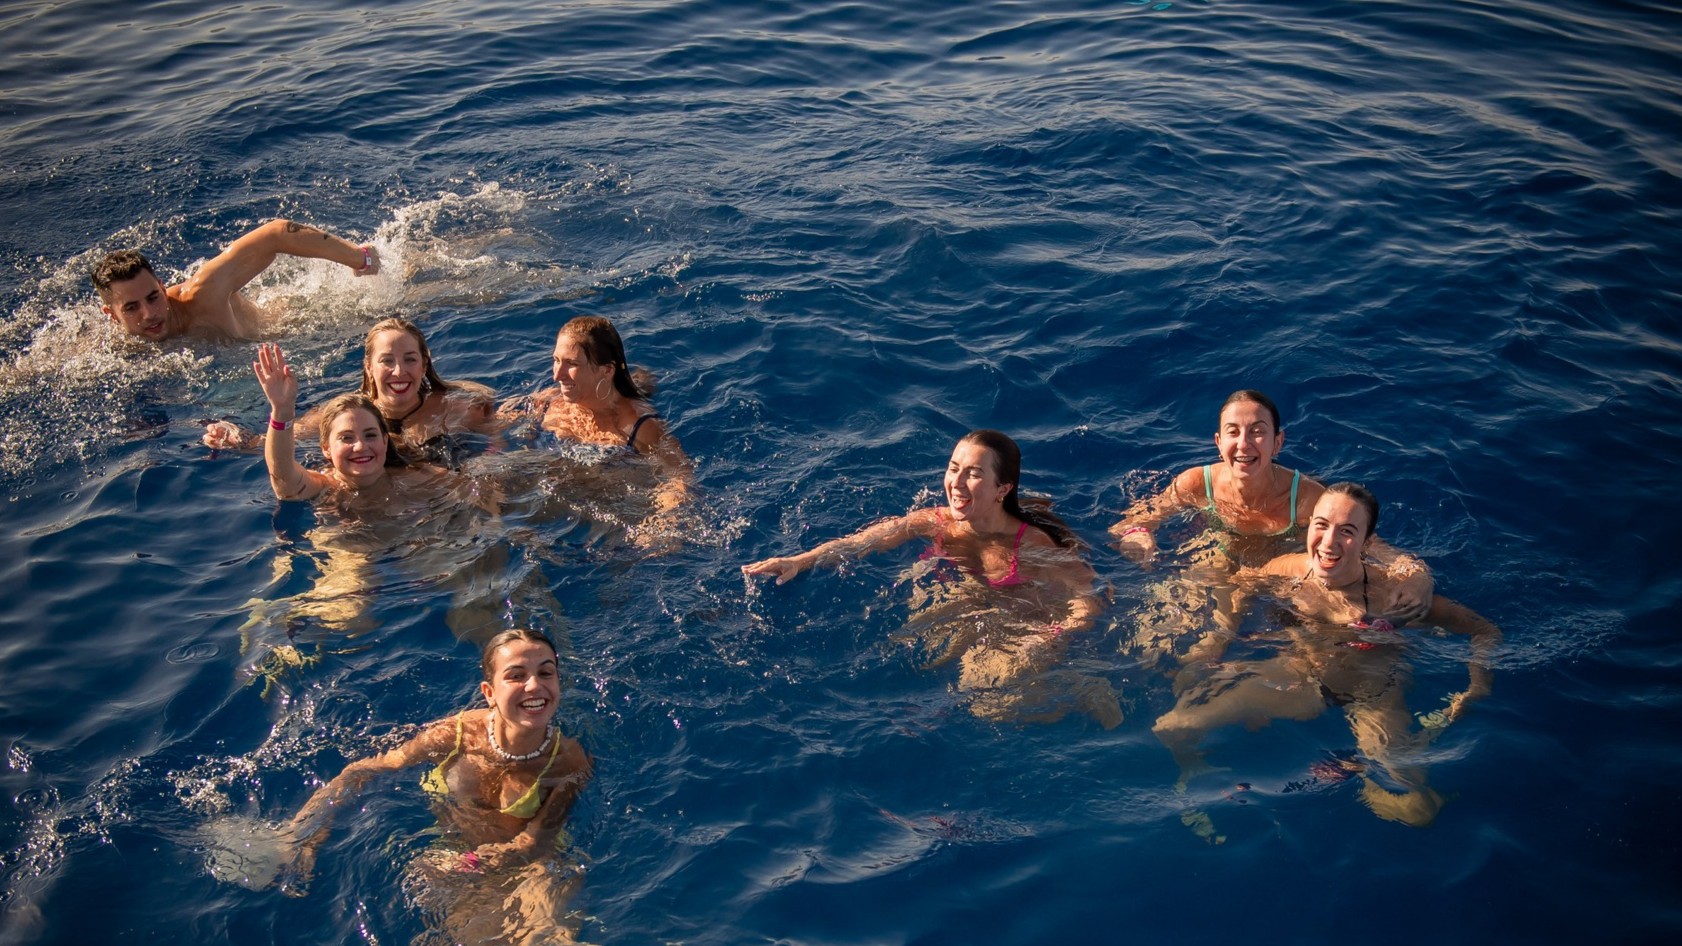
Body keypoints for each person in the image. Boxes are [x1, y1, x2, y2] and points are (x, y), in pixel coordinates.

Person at [1152, 483, 1501, 832]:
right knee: (1172, 727)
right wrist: (1221, 636)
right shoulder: (1290, 570)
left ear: (1367, 543)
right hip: (1299, 677)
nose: (1329, 541)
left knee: (1416, 808)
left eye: (1347, 531)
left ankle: (1362, 770)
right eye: (1321, 524)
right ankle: (1195, 772)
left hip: (1372, 694)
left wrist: (1477, 686)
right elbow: (1242, 582)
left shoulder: (1392, 597)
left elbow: (1485, 630)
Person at [744, 430, 1116, 726]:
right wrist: (799, 560)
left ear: (1003, 489)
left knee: (987, 704)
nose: (957, 482)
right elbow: (864, 540)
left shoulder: (1034, 545)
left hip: (1027, 620)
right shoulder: (938, 521)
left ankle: (1085, 688)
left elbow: (1090, 597)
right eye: (954, 468)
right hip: (974, 600)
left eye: (974, 473)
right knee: (917, 651)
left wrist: (1050, 638)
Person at [283, 629, 592, 944]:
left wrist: (468, 865)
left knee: (547, 938)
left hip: (535, 869)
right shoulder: (455, 735)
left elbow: (533, 843)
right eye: (516, 676)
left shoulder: (568, 761)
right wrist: (307, 832)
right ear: (489, 692)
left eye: (546, 673)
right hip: (457, 860)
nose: (535, 685)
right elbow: (363, 770)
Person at [1110, 389, 1433, 621]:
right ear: (1219, 442)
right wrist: (1139, 536)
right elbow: (1131, 523)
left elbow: (1376, 549)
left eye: (1257, 433)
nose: (1244, 444)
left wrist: (1418, 580)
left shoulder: (1307, 497)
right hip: (1218, 552)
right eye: (1233, 432)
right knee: (1189, 632)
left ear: (1278, 442)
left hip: (1282, 571)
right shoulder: (1196, 483)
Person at [204, 317, 498, 467]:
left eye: (410, 359)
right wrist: (239, 438)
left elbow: (497, 439)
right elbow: (278, 439)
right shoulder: (344, 417)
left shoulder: (456, 408)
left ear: (424, 364)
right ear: (369, 367)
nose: (399, 371)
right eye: (387, 361)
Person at [502, 316, 691, 545]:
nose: (556, 375)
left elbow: (679, 476)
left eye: (571, 364)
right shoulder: (549, 403)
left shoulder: (638, 427)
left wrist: (661, 522)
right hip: (551, 505)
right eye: (556, 360)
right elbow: (494, 422)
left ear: (606, 370)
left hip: (609, 518)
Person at [91, 218, 379, 341]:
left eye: (153, 297)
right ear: (111, 315)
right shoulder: (116, 344)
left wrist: (360, 259)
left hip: (292, 325)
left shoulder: (202, 294)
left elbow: (275, 234)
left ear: (162, 287)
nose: (149, 313)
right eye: (131, 308)